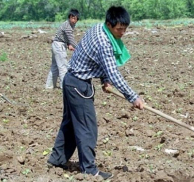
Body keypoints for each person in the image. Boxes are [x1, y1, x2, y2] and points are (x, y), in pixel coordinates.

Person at [47, 6, 144, 180]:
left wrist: (103, 79)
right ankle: (90, 170)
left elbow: (95, 60)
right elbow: (113, 72)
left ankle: (57, 159)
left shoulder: (99, 28)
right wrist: (133, 97)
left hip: (70, 81)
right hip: (78, 86)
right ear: (109, 24)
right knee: (87, 128)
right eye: (119, 29)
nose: (122, 32)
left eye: (125, 28)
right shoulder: (105, 42)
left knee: (69, 125)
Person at [45, 9, 79, 89]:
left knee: (55, 66)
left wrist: (68, 44)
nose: (74, 20)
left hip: (57, 44)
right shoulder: (67, 26)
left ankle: (49, 86)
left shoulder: (71, 25)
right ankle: (64, 87)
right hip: (59, 46)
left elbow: (66, 38)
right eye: (73, 18)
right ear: (70, 17)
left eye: (76, 19)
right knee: (63, 66)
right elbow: (71, 39)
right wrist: (79, 49)